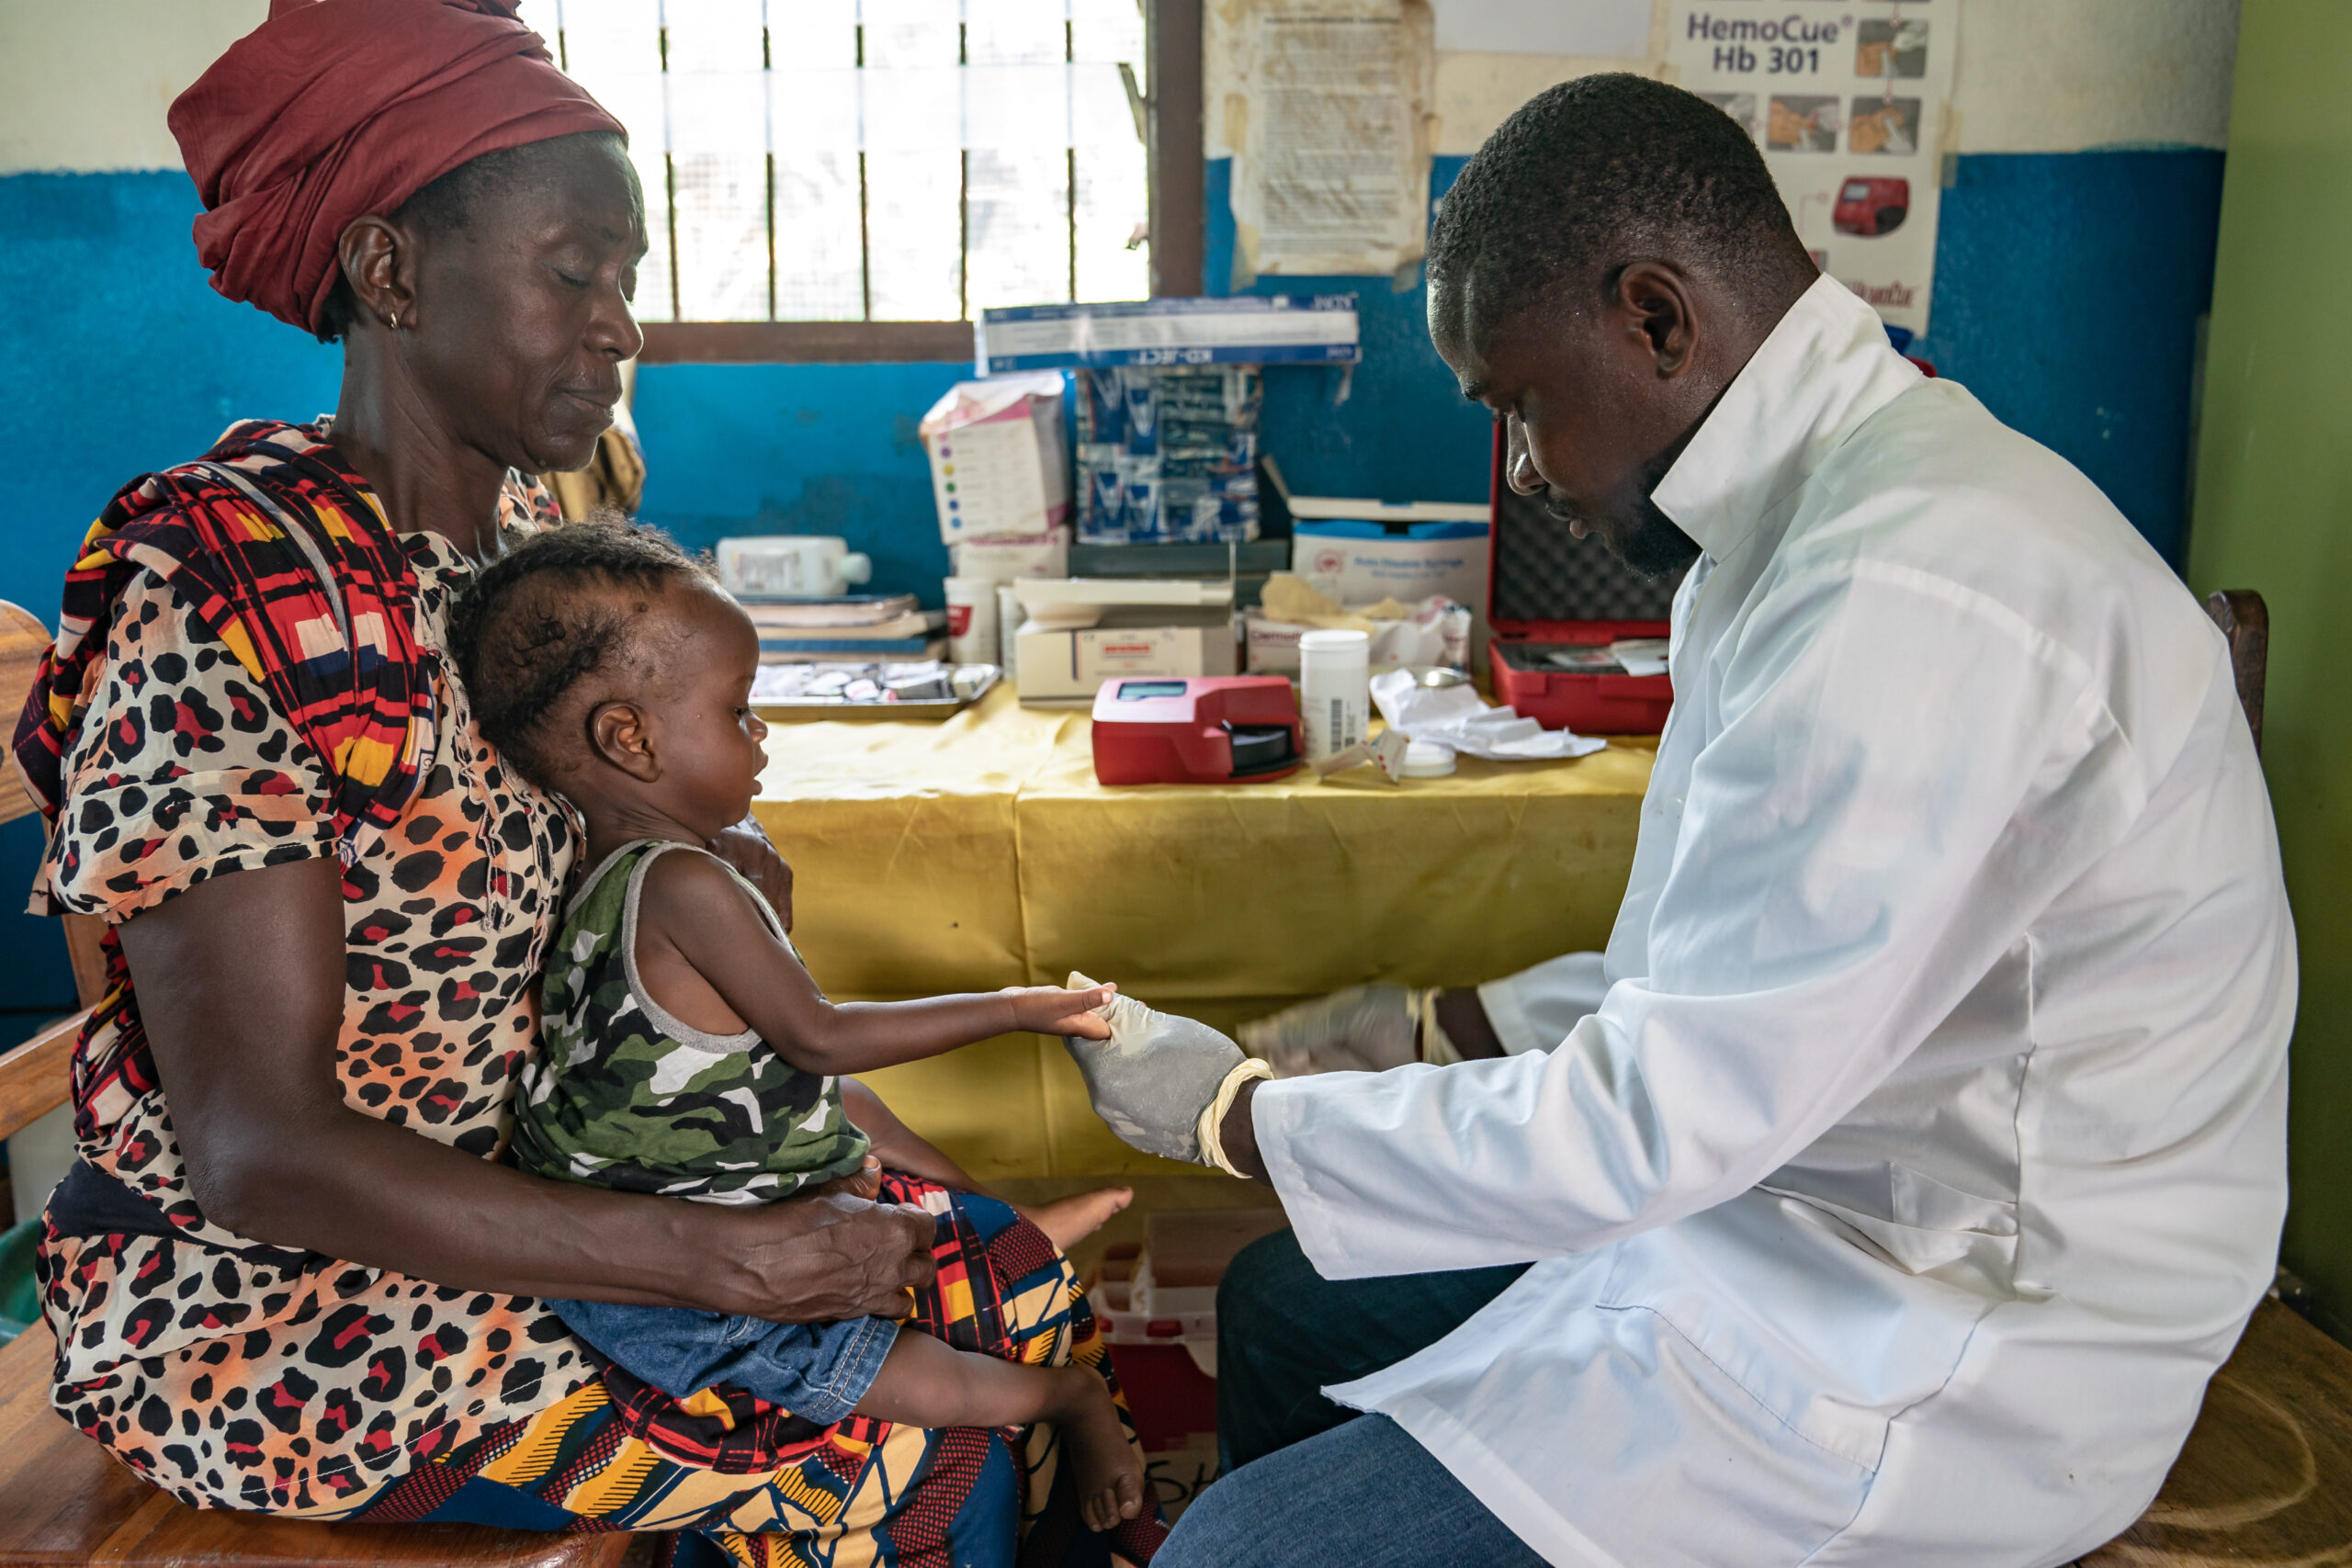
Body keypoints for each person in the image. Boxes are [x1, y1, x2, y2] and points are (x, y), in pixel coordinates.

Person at [1061, 74, 2294, 1568]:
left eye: (1518, 405)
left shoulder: (1908, 584)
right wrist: (1428, 1023)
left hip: (1962, 1337)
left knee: (1238, 1553)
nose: (1523, 468)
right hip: (1799, 1199)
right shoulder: (1793, 534)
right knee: (1283, 1309)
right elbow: (1718, 964)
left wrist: (1235, 1114)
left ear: (1656, 318)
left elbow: (1670, 1109)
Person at [12, 4, 1147, 1562]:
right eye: (574, 274)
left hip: (575, 1187)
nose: (619, 325)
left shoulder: (530, 549)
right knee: (900, 1451)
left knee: (1009, 1295)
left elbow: (644, 956)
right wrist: (714, 1258)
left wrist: (813, 1128)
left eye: (626, 279)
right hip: (301, 1303)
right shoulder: (230, 585)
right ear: (392, 270)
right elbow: (259, 1149)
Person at [450, 524, 1151, 1537]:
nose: (762, 734)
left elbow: (750, 1049)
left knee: (851, 1110)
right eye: (738, 712)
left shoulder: (606, 874)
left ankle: (996, 1216)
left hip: (667, 1170)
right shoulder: (686, 884)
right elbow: (817, 1036)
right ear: (628, 739)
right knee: (902, 1385)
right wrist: (1020, 1009)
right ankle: (1066, 1398)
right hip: (676, 1238)